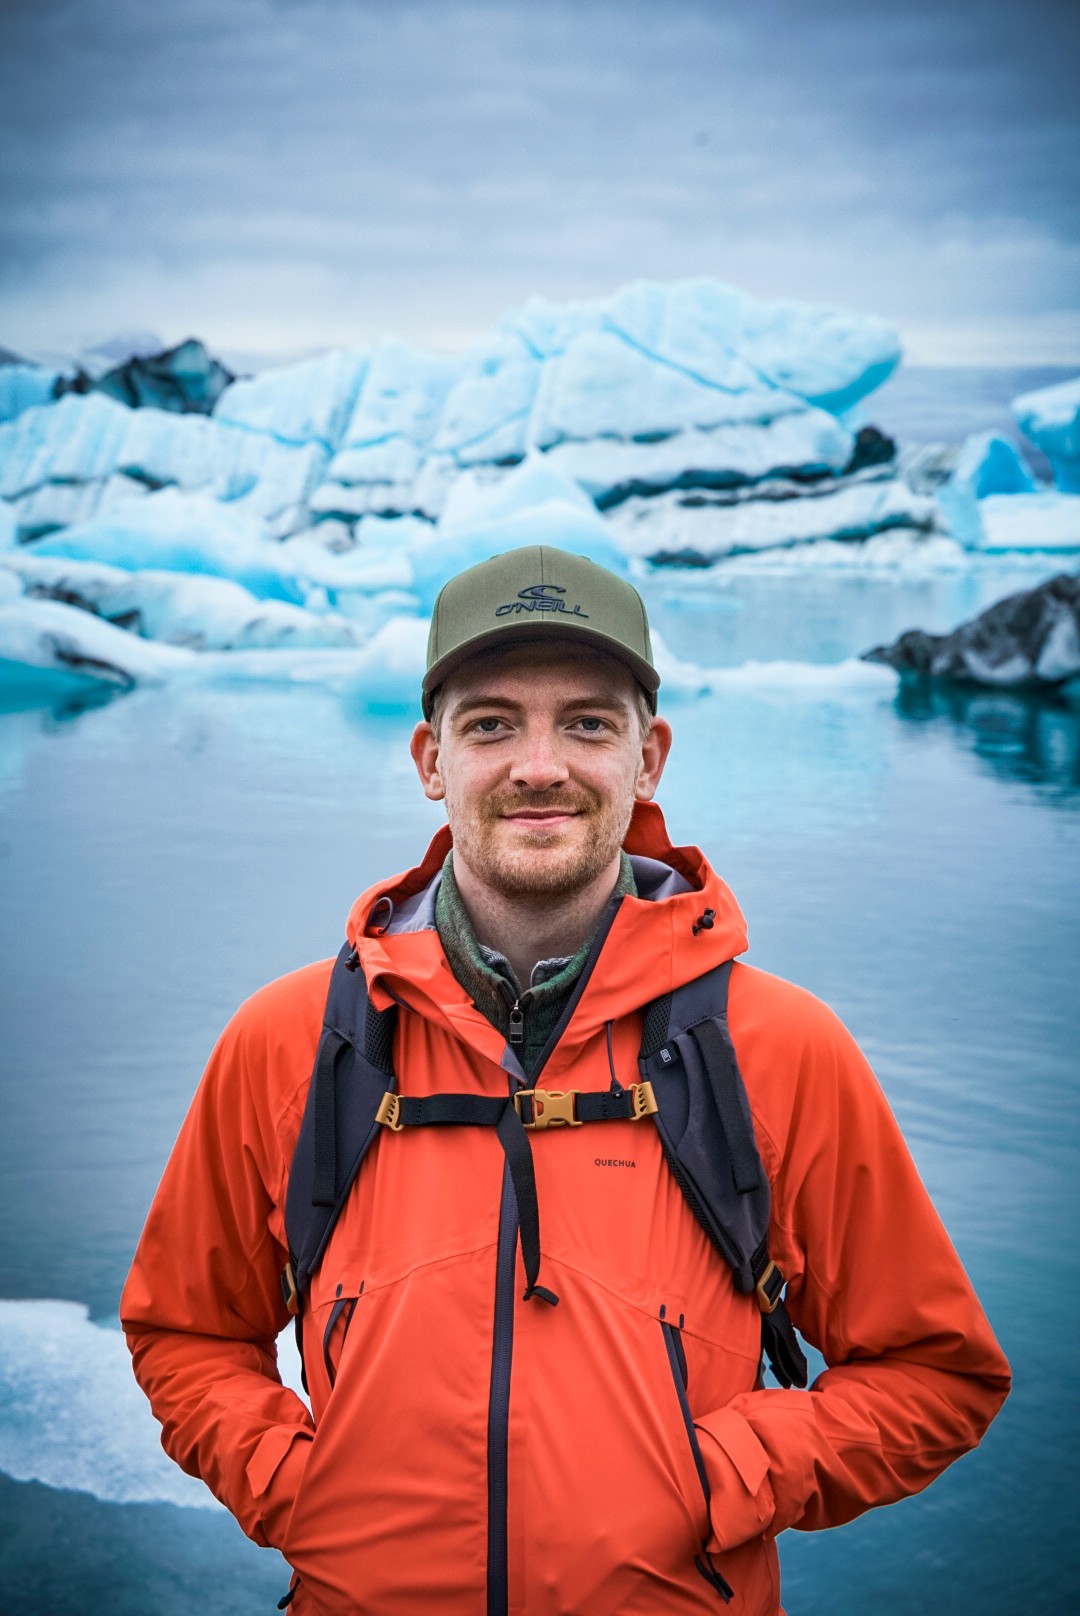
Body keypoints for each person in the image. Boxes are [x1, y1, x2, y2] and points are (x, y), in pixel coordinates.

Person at [122, 544, 1010, 1616]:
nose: (538, 764)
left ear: (648, 758)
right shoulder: (293, 1040)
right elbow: (187, 1332)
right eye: (491, 722)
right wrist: (304, 1490)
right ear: (429, 759)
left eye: (587, 721)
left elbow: (936, 1371)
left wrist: (719, 1475)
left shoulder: (778, 1044)